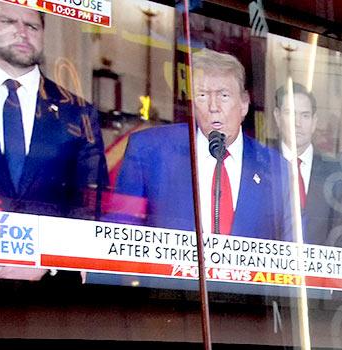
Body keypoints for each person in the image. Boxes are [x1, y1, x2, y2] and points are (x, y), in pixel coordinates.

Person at [0, 1, 107, 217]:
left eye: (32, 26)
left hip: (50, 238)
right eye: (9, 22)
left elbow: (90, 204)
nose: (22, 33)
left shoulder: (77, 112)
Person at [111, 49, 292, 239]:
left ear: (244, 104)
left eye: (224, 96)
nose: (213, 107)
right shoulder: (148, 150)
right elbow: (121, 231)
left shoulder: (277, 170)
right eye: (202, 96)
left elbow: (293, 246)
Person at [272, 82, 342, 246]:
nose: (298, 123)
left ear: (314, 122)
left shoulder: (337, 174)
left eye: (305, 115)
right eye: (290, 114)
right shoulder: (260, 166)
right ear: (277, 117)